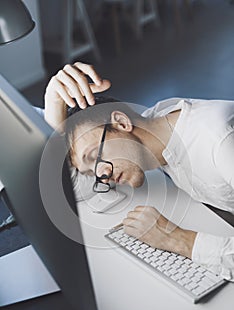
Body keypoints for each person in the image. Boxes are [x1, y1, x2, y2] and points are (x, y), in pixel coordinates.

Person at [42, 61, 234, 281]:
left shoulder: (221, 142)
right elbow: (67, 191)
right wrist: (54, 122)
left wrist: (178, 240)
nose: (102, 177)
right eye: (91, 173)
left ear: (121, 123)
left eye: (94, 156)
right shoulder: (156, 127)